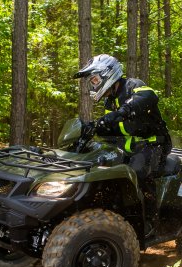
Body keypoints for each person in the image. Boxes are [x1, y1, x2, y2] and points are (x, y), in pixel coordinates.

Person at [73, 54, 171, 226]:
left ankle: (149, 221)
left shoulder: (133, 85)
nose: (93, 84)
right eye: (92, 82)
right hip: (128, 148)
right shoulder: (110, 103)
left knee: (136, 173)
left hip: (154, 144)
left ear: (107, 74)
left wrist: (122, 111)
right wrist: (95, 127)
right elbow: (112, 128)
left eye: (95, 80)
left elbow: (149, 97)